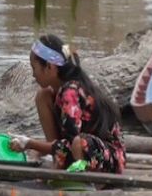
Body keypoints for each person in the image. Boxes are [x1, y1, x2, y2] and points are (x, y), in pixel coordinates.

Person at [10, 34, 126, 174]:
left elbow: (70, 144)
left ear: (50, 67)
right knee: (43, 95)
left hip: (107, 157)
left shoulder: (70, 92)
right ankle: (58, 163)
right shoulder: (57, 92)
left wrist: (30, 144)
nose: (33, 75)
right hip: (78, 149)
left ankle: (87, 180)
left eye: (34, 68)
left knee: (79, 143)